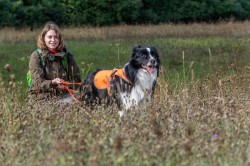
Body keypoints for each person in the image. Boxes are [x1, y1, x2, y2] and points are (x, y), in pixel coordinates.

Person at [28, 21, 81, 105]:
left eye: (56, 37)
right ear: (43, 38)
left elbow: (77, 80)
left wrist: (66, 86)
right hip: (41, 98)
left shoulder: (68, 56)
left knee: (80, 104)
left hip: (64, 95)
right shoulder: (36, 56)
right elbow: (37, 83)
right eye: (49, 37)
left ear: (60, 39)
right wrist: (53, 83)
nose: (53, 40)